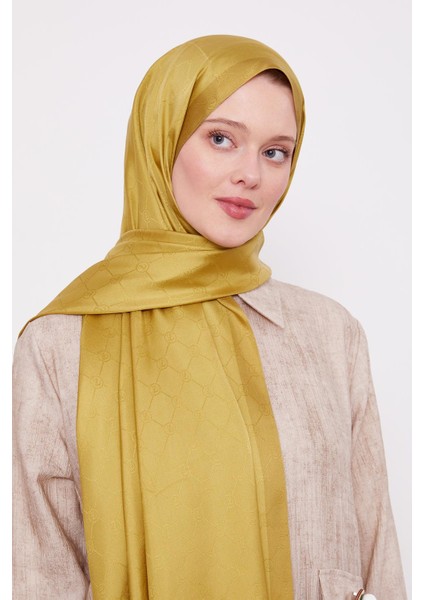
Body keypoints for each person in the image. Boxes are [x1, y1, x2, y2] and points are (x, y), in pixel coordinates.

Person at [13, 35, 406, 600]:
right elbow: (42, 575)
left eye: (276, 152)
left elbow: (376, 557)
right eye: (221, 138)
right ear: (162, 139)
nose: (251, 174)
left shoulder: (329, 334)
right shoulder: (60, 343)